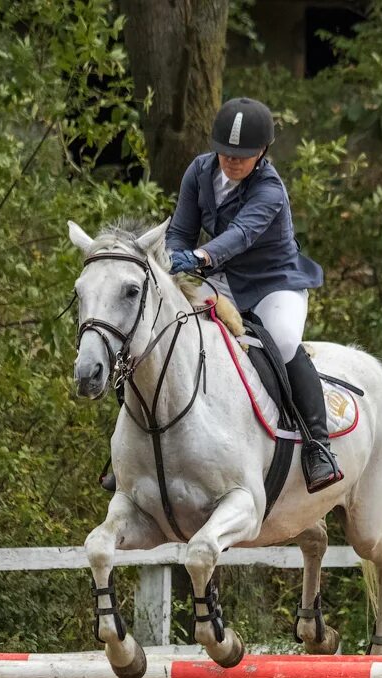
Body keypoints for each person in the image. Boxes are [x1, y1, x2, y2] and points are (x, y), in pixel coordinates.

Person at [102, 96, 342, 495]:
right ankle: (130, 448)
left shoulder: (270, 190)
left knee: (281, 343)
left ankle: (318, 444)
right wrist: (172, 257)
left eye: (242, 155)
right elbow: (180, 228)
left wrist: (196, 256)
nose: (231, 161)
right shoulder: (199, 171)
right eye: (226, 152)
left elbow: (240, 236)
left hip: (273, 283)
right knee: (156, 330)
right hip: (223, 278)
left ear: (262, 152)